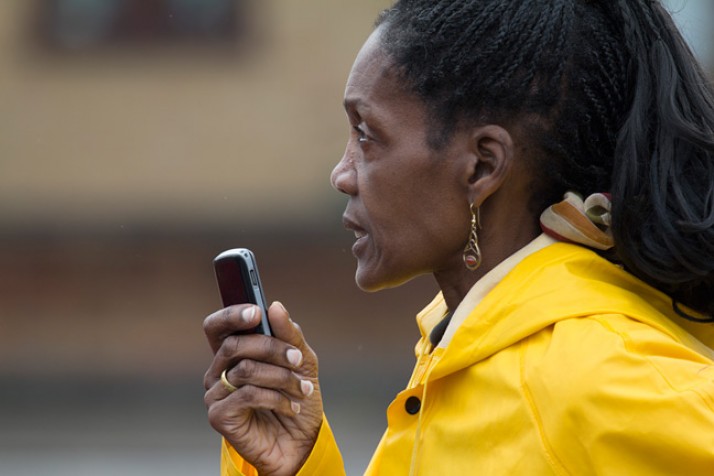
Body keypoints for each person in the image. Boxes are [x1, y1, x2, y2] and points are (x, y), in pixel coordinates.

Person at [203, 0, 714, 474]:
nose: (342, 173)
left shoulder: (597, 380)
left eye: (366, 134)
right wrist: (295, 463)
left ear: (482, 166)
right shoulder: (461, 351)